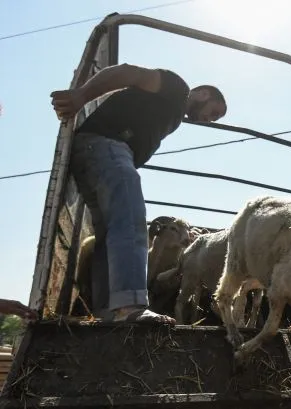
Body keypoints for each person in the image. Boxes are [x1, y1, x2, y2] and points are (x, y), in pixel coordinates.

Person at [50, 64, 227, 325]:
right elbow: (129, 72)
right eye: (213, 112)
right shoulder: (177, 88)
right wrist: (81, 95)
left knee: (109, 234)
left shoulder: (174, 111)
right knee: (131, 222)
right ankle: (129, 307)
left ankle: (107, 311)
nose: (208, 120)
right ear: (202, 94)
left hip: (98, 152)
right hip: (108, 147)